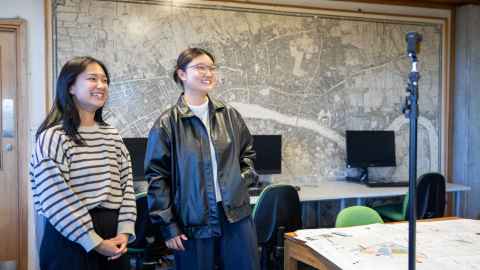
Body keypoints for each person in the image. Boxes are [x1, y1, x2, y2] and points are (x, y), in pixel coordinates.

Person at [145, 47, 260, 270]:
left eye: (211, 68)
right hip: (193, 219)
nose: (208, 73)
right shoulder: (167, 124)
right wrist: (168, 227)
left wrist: (240, 183)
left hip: (236, 215)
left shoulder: (229, 115)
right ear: (182, 74)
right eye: (200, 67)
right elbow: (157, 178)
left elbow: (248, 155)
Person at [30, 56, 136, 270]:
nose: (101, 85)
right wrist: (94, 242)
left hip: (114, 239)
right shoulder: (53, 137)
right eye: (92, 79)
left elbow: (127, 187)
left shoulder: (112, 135)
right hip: (70, 240)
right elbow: (55, 198)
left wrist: (124, 231)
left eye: (105, 80)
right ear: (70, 87)